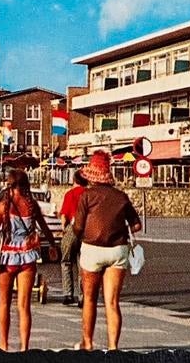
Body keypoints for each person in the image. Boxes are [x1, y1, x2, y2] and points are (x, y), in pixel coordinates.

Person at [72, 150, 142, 351]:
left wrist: (79, 232)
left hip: (92, 250)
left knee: (90, 299)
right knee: (112, 302)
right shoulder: (121, 196)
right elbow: (136, 225)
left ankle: (87, 343)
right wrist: (118, 227)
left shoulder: (86, 196)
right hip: (117, 251)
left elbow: (78, 227)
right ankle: (113, 347)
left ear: (91, 175)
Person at [0, 169, 58, 352]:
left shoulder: (2, 206)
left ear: (9, 185)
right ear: (26, 185)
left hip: (7, 257)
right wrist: (52, 246)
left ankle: (4, 344)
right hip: (28, 257)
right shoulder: (32, 205)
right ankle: (24, 347)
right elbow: (45, 229)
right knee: (24, 306)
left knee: (4, 303)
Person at [59, 171, 89, 307]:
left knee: (66, 261)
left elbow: (64, 215)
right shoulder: (89, 194)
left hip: (72, 228)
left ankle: (68, 294)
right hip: (86, 230)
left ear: (74, 180)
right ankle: (82, 297)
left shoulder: (70, 194)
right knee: (83, 264)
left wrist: (64, 229)